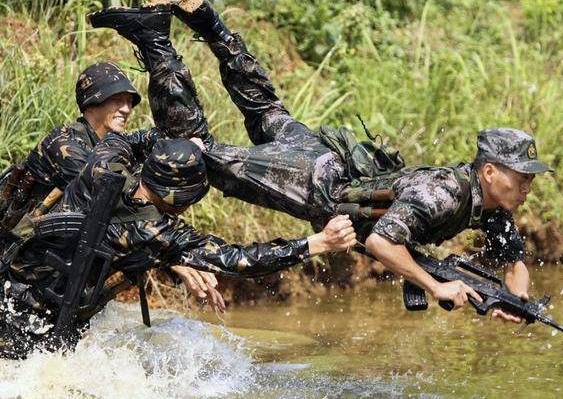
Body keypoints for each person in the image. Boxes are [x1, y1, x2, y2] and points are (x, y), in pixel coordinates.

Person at [91, 0, 554, 323]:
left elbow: (514, 262)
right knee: (194, 151)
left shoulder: (492, 205)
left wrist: (513, 302)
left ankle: (207, 19)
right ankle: (154, 38)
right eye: (522, 177)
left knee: (264, 106)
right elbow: (380, 243)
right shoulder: (443, 194)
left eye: (531, 179)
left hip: (324, 160)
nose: (528, 187)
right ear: (490, 171)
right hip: (312, 182)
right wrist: (435, 286)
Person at [0, 130, 356, 359]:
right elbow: (240, 259)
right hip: (44, 331)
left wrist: (175, 144)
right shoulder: (159, 235)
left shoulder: (103, 163)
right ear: (182, 198)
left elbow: (128, 139)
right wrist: (317, 242)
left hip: (10, 292)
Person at [0, 58, 218, 306]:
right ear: (93, 101)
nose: (126, 109)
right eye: (117, 100)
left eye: (129, 102)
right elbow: (118, 204)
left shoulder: (113, 148)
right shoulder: (64, 144)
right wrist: (176, 258)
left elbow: (146, 194)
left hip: (64, 275)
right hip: (19, 270)